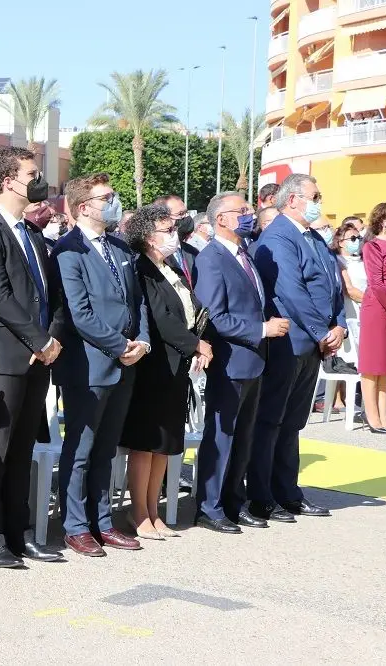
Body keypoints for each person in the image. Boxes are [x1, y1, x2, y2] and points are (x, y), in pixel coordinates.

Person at [0, 146, 65, 567]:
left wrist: (51, 337)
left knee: (23, 447)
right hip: (3, 356)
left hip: (40, 355)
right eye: (32, 174)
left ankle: (18, 532)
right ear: (8, 182)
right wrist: (37, 340)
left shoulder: (33, 233)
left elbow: (51, 294)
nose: (40, 181)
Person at [55, 172, 147, 557]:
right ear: (83, 207)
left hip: (126, 362)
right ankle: (76, 526)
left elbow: (136, 301)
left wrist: (141, 341)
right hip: (89, 366)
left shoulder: (119, 247)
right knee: (81, 448)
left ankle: (102, 521)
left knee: (106, 448)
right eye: (106, 197)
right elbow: (80, 313)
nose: (114, 202)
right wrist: (119, 345)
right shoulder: (68, 250)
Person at [194, 192, 290, 534]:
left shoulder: (243, 253)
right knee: (222, 435)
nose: (250, 214)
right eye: (243, 210)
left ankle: (234, 503)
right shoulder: (211, 258)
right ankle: (210, 507)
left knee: (243, 437)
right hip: (230, 361)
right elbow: (214, 316)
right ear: (221, 219)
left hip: (253, 361)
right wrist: (261, 329)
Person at [250, 173, 342, 522]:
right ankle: (263, 496)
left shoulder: (312, 236)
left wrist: (339, 325)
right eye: (314, 196)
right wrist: (322, 332)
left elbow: (332, 284)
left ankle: (288, 492)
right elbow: (291, 291)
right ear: (292, 200)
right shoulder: (278, 237)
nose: (319, 202)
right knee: (271, 420)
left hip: (313, 342)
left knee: (292, 423)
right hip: (290, 342)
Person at [120, 205, 212, 539]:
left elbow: (189, 310)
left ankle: (153, 511)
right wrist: (195, 344)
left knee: (164, 443)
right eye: (167, 229)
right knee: (146, 442)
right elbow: (161, 318)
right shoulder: (142, 268)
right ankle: (138, 513)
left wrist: (199, 340)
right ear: (148, 236)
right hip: (154, 366)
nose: (174, 234)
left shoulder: (170, 267)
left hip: (176, 366)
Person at [357, 202, 386, 433]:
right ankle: (372, 417)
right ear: (383, 220)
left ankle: (384, 418)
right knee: (373, 364)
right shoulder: (372, 246)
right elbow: (377, 282)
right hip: (379, 307)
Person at [331, 222, 366, 367]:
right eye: (352, 238)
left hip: (365, 311)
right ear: (340, 242)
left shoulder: (362, 260)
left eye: (359, 238)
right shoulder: (338, 261)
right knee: (352, 357)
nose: (356, 241)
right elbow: (349, 290)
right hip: (351, 313)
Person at [156, 195, 199, 288]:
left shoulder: (192, 251)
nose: (186, 217)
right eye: (180, 214)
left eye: (186, 212)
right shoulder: (154, 254)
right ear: (162, 218)